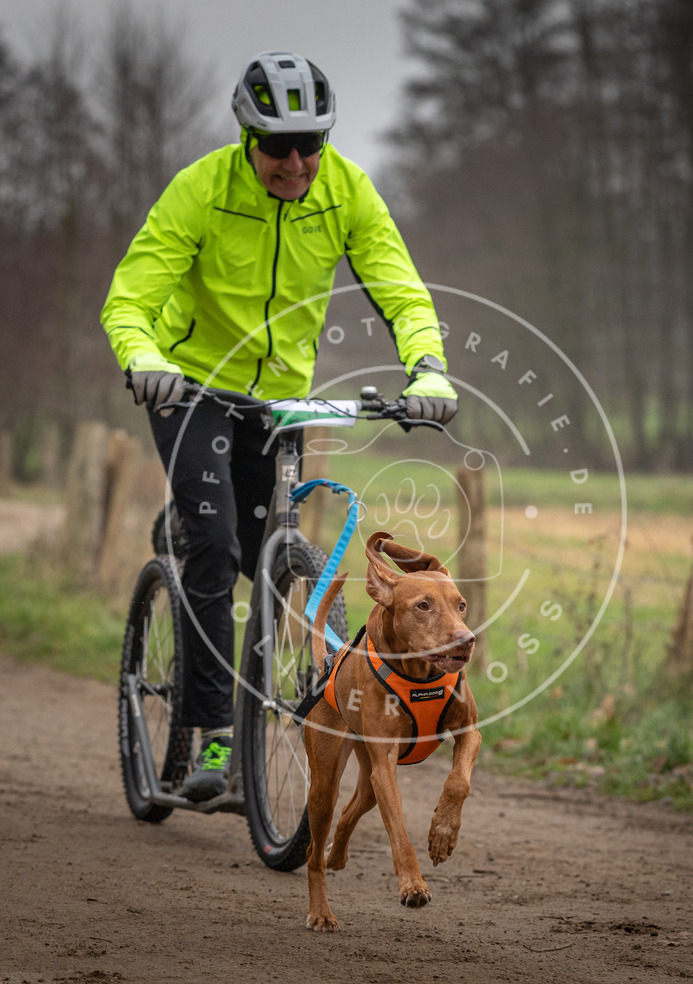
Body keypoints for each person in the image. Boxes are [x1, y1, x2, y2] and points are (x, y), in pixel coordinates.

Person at [101, 51, 458, 801]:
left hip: (281, 399)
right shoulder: (200, 190)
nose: (295, 161)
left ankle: (195, 534)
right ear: (246, 137)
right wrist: (142, 357)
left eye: (310, 144)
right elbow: (132, 295)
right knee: (213, 543)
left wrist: (426, 367)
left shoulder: (347, 190)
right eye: (276, 146)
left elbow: (399, 286)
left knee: (266, 556)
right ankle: (214, 738)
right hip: (189, 383)